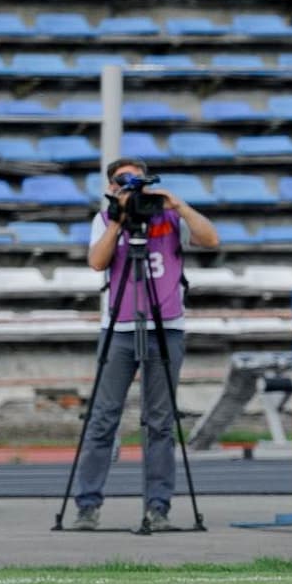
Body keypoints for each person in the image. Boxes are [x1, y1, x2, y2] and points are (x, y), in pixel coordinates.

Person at [69, 158, 220, 531]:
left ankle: (158, 506)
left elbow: (210, 240)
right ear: (111, 187)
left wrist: (178, 205)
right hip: (119, 327)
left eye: (139, 181)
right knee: (103, 417)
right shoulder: (105, 220)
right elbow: (97, 262)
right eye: (124, 182)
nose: (133, 189)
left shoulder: (168, 218)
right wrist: (118, 219)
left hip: (166, 325)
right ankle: (87, 504)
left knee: (160, 421)